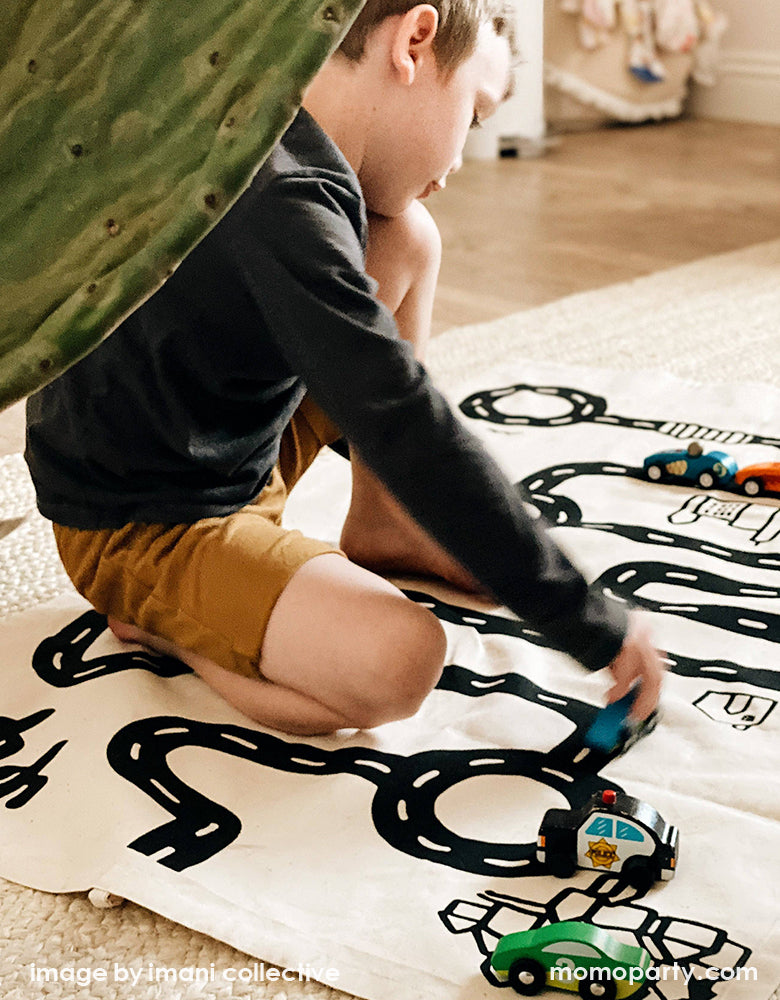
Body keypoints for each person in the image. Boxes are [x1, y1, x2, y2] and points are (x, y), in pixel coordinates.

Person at [25, 1, 664, 736]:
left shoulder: (271, 130)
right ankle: (164, 626)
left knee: (405, 238)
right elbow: (401, 418)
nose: (456, 165)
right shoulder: (280, 199)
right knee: (401, 661)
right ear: (414, 43)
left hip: (223, 444)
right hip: (143, 524)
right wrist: (587, 621)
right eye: (475, 114)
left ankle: (385, 521)